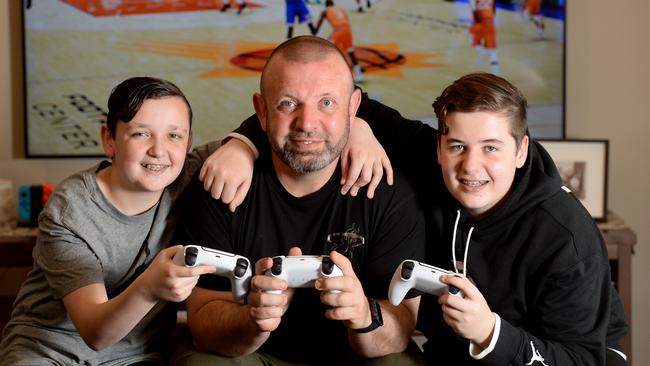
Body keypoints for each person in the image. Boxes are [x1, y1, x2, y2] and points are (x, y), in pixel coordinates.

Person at [220, 73, 629, 365]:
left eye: (491, 148)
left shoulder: (566, 238)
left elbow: (585, 357)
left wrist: (491, 333)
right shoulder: (429, 160)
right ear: (438, 146)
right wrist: (242, 144)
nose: (471, 166)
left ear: (521, 151)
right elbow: (311, 105)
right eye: (457, 146)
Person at [171, 35, 426, 365]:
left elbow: (402, 325)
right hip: (256, 354)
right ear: (261, 112)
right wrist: (253, 319)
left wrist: (364, 316)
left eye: (327, 103)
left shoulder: (388, 192)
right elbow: (203, 321)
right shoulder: (221, 184)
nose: (307, 123)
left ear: (353, 109)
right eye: (287, 104)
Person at [0, 76, 235, 365]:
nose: (159, 151)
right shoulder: (70, 210)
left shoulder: (188, 173)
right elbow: (96, 333)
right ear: (109, 140)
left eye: (174, 135)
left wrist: (242, 147)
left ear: (188, 141)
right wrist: (150, 287)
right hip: (48, 350)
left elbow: (273, 128)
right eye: (140, 134)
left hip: (136, 356)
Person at [314, 0, 363, 83]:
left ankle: (325, 73)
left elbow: (319, 24)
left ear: (326, 5)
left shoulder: (325, 11)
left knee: (327, 49)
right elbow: (346, 20)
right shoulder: (340, 8)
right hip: (347, 30)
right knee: (350, 51)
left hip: (338, 31)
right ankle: (359, 74)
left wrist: (314, 32)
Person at [469, 0, 499, 74]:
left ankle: (481, 52)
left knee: (473, 41)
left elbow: (474, 11)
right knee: (492, 51)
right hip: (489, 24)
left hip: (478, 24)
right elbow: (494, 9)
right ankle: (496, 74)